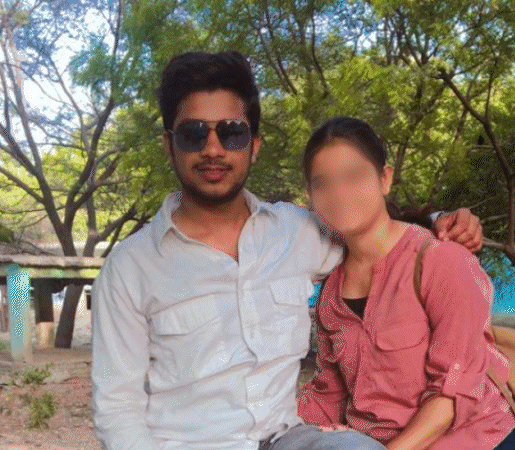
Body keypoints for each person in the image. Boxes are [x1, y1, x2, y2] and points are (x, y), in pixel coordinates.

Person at [91, 51, 483, 450]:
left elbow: (369, 226)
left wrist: (439, 219)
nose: (213, 148)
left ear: (254, 146)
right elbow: (116, 406)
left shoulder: (296, 232)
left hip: (286, 439)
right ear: (169, 144)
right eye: (193, 133)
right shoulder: (130, 268)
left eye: (231, 132)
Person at [296, 116, 515, 450]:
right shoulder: (330, 290)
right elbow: (329, 392)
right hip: (375, 441)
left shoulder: (441, 261)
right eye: (323, 183)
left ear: (385, 178)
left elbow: (452, 392)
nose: (339, 194)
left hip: (468, 438)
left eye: (353, 176)